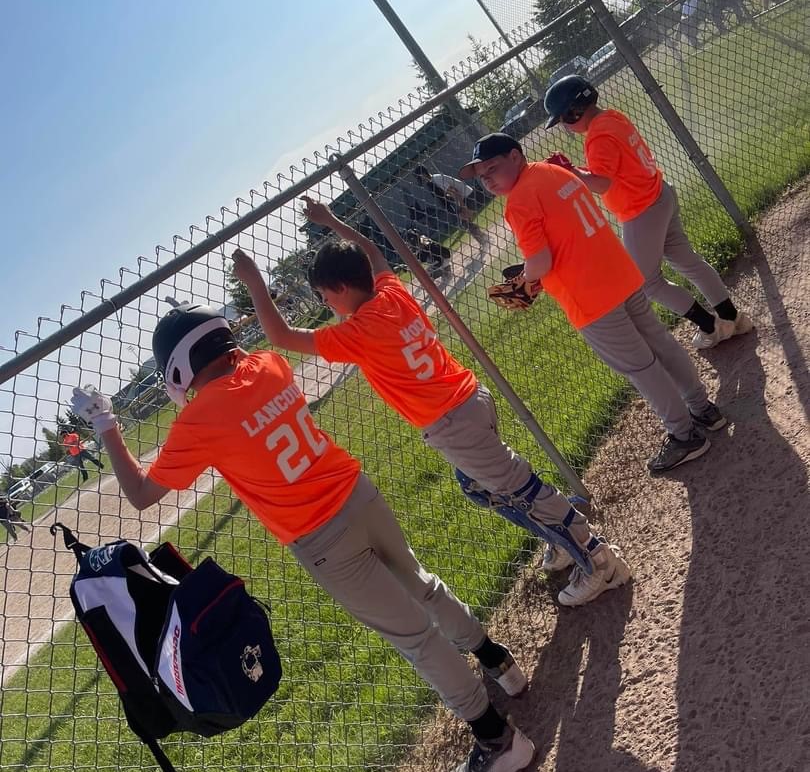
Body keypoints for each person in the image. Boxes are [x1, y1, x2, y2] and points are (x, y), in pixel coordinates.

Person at [71, 305, 534, 772]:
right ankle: (498, 662)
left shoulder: (199, 420)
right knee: (420, 582)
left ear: (180, 370)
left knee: (414, 638)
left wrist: (106, 424)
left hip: (321, 536)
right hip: (357, 492)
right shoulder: (269, 364)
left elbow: (142, 494)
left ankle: (495, 738)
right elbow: (241, 375)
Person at [232, 200, 631, 603]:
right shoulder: (391, 291)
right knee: (476, 485)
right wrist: (332, 222)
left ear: (340, 288)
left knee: (522, 487)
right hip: (470, 399)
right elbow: (372, 251)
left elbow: (282, 338)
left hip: (452, 423)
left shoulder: (357, 333)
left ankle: (598, 560)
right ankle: (561, 539)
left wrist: (254, 283)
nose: (328, 306)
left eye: (325, 296)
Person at [457, 133, 727, 476]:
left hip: (591, 297)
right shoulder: (553, 172)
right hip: (620, 274)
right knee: (660, 341)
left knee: (640, 366)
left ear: (515, 156)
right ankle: (703, 408)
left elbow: (540, 261)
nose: (488, 179)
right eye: (482, 176)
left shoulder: (520, 201)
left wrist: (526, 277)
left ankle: (685, 435)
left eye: (492, 168)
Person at [542, 76, 753, 351]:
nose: (566, 128)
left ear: (575, 111)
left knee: (646, 283)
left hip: (641, 212)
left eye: (564, 120)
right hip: (660, 195)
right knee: (689, 262)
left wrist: (568, 172)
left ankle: (711, 327)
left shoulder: (597, 136)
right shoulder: (612, 117)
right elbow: (613, 168)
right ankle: (732, 318)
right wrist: (577, 170)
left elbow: (602, 183)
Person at [414, 163, 487, 243]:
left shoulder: (437, 179)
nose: (422, 180)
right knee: (465, 222)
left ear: (424, 174)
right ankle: (483, 238)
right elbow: (452, 193)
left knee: (465, 222)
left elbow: (456, 192)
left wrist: (462, 207)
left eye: (421, 177)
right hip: (466, 197)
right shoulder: (434, 180)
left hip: (468, 196)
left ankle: (484, 240)